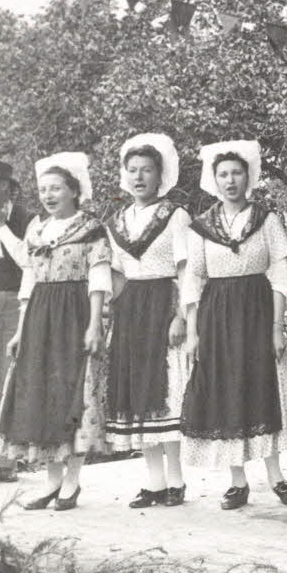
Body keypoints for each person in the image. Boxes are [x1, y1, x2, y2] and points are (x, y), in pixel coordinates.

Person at [181, 141, 287, 509]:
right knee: (225, 391)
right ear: (213, 180)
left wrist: (278, 326)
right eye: (223, 175)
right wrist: (192, 331)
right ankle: (236, 481)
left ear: (248, 177)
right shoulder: (201, 227)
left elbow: (280, 274)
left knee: (261, 388)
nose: (230, 180)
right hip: (216, 316)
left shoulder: (267, 220)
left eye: (236, 173)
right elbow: (193, 280)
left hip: (257, 311)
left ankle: (277, 477)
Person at [0, 152, 110, 510]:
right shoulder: (37, 229)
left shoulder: (91, 228)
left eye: (56, 188)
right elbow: (29, 280)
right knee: (43, 397)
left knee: (71, 396)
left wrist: (94, 324)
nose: (48, 195)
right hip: (40, 316)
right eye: (44, 190)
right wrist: (19, 332)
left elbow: (99, 278)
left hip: (74, 314)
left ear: (73, 191)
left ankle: (72, 484)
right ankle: (52, 483)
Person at [103, 133, 193, 508]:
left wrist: (180, 315)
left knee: (165, 392)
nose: (139, 177)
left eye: (147, 171)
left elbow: (187, 268)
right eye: (133, 170)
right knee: (138, 393)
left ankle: (176, 481)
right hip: (130, 310)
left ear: (161, 175)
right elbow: (118, 272)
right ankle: (153, 482)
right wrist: (109, 308)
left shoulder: (176, 215)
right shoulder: (117, 220)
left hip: (163, 303)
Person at [0, 158, 32, 482]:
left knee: (6, 379)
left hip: (12, 300)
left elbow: (27, 261)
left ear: (5, 185)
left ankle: (4, 463)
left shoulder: (25, 218)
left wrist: (0, 225)